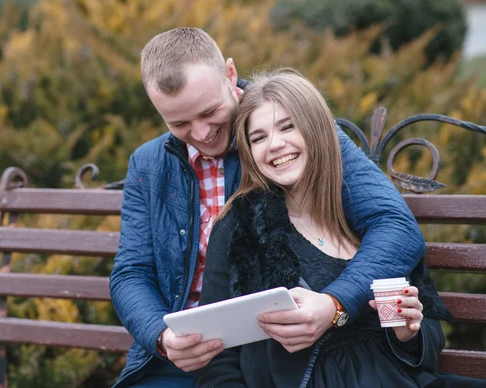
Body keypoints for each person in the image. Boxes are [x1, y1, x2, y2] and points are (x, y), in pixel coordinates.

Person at [109, 28, 426, 387]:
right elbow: (131, 272)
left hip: (267, 355)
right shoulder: (148, 164)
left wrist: (336, 303)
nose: (200, 133)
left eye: (210, 112)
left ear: (230, 74)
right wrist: (160, 336)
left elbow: (395, 226)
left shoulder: (294, 137)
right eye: (178, 123)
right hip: (179, 355)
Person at [194, 70, 480, 388]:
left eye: (288, 127)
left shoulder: (365, 219)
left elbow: (427, 339)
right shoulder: (242, 227)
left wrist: (409, 333)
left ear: (317, 130)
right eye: (258, 137)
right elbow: (217, 360)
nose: (274, 144)